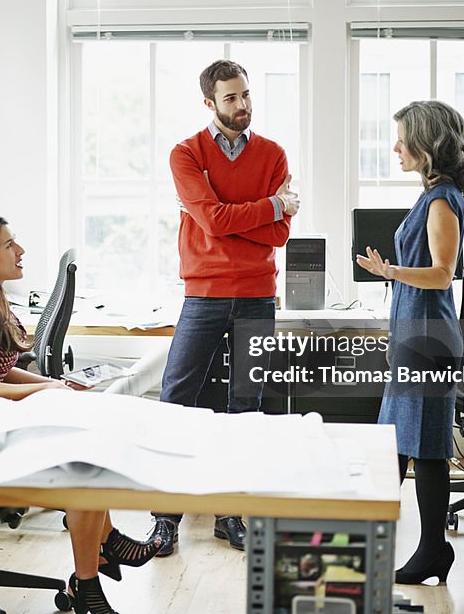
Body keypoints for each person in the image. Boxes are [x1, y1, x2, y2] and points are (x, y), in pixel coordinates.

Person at [0, 213, 160, 614]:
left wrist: (53, 387)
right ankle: (93, 572)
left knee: (90, 436)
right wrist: (47, 389)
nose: (21, 251)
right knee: (81, 461)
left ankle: (101, 554)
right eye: (9, 245)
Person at [150, 59, 299, 556]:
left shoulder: (273, 154)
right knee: (176, 401)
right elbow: (212, 222)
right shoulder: (185, 154)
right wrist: (272, 206)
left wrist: (250, 217)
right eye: (231, 98)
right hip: (205, 293)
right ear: (209, 103)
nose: (243, 106)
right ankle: (165, 518)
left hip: (258, 293)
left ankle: (230, 514)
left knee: (246, 409)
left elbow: (278, 235)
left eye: (247, 95)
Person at [355, 100, 464, 586]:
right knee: (406, 443)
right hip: (415, 335)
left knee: (420, 446)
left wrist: (389, 271)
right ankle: (418, 548)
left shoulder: (442, 200)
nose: (396, 147)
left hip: (428, 338)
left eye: (403, 138)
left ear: (427, 144)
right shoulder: (432, 196)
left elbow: (443, 274)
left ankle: (427, 550)